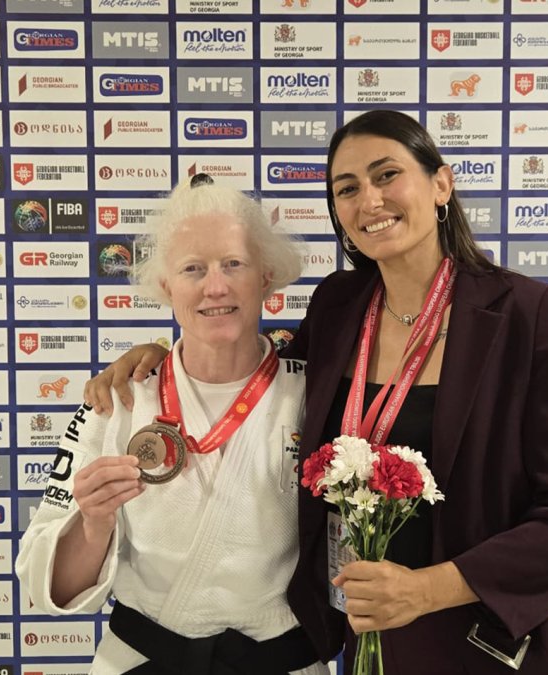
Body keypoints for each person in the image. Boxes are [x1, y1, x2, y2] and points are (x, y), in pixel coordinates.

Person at [85, 110, 548, 674]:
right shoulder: (339, 305)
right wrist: (166, 361)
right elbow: (260, 375)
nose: (369, 200)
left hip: (481, 641)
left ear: (440, 183)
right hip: (364, 641)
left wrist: (429, 590)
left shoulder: (525, 315)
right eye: (347, 188)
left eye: (387, 175)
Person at [16, 174, 329, 675]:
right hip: (144, 661)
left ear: (266, 274)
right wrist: (93, 524)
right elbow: (50, 587)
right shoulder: (117, 400)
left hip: (278, 662)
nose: (216, 286)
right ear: (165, 285)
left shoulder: (317, 397)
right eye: (192, 268)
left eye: (234, 264)